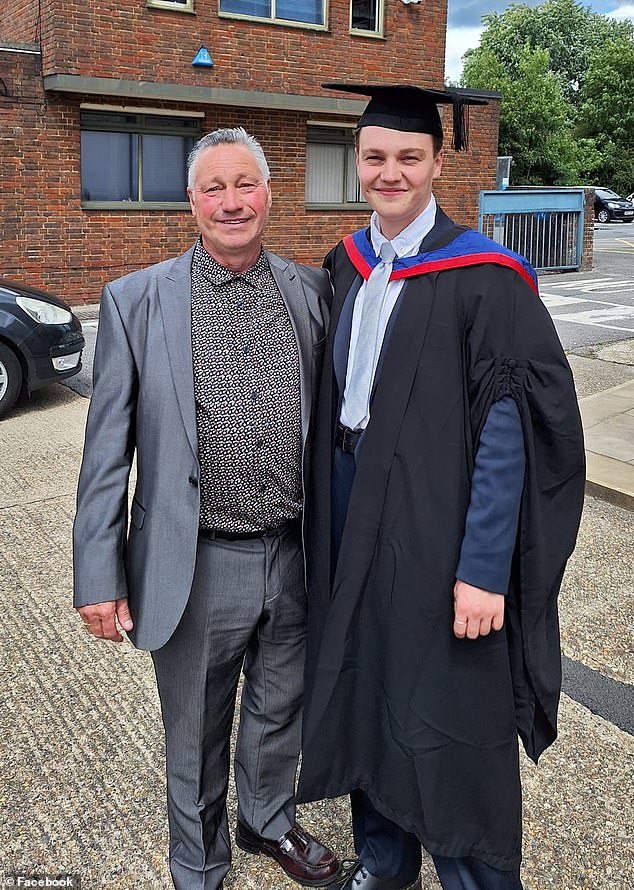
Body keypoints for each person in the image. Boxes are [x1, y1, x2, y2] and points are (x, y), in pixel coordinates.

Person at [296, 85, 586, 890]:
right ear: (358, 163)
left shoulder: (487, 278)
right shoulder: (346, 263)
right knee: (365, 680)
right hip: (351, 508)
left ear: (435, 164)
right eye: (375, 158)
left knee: (449, 704)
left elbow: (509, 432)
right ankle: (385, 864)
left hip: (437, 523)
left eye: (408, 157)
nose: (390, 173)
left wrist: (485, 569)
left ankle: (473, 877)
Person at [73, 126, 340, 890]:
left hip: (293, 552)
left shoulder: (311, 293)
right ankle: (199, 864)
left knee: (279, 708)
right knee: (194, 729)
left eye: (244, 184)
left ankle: (267, 819)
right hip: (197, 562)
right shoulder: (136, 301)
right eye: (214, 188)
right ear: (191, 202)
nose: (231, 202)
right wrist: (98, 573)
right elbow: (106, 452)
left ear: (269, 194)